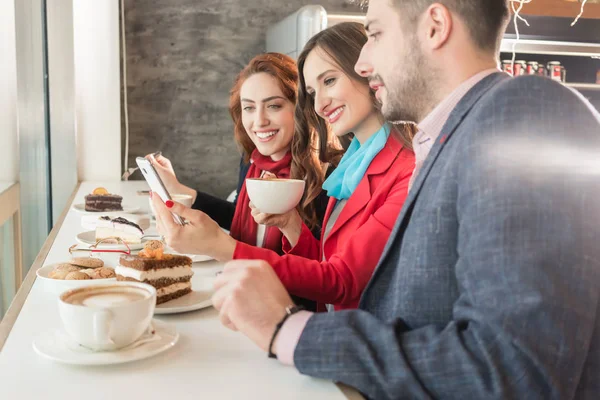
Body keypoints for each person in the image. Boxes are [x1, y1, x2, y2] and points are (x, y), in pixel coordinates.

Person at [208, 0, 600, 399]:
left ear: (434, 26)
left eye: (375, 34)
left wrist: (288, 329)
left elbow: (513, 372)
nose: (362, 62)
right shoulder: (449, 140)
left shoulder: (523, 115)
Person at [152, 22, 416, 311]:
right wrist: (292, 226)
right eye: (313, 93)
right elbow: (324, 261)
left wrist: (222, 246)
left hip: (346, 338)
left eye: (329, 81)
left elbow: (341, 281)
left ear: (368, 70)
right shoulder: (352, 168)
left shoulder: (406, 172)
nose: (319, 106)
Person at [147, 52, 333, 255]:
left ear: (300, 109)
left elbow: (320, 264)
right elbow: (238, 216)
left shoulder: (326, 174)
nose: (259, 121)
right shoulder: (252, 163)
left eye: (273, 106)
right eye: (249, 108)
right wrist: (178, 188)